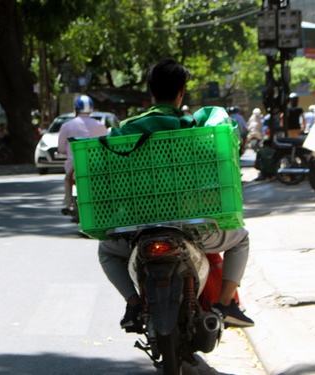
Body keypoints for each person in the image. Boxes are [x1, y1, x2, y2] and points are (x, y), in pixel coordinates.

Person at [98, 58, 254, 329]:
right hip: (191, 227)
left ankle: (134, 304)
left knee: (107, 251)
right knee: (240, 239)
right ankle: (226, 304)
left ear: (151, 90)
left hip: (139, 225)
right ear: (181, 91)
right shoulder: (196, 127)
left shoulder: (126, 129)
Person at [58, 95, 109, 215]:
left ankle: (69, 202)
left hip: (74, 165)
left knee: (67, 179)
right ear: (91, 109)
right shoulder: (100, 125)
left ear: (76, 109)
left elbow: (61, 148)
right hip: (97, 164)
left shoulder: (67, 126)